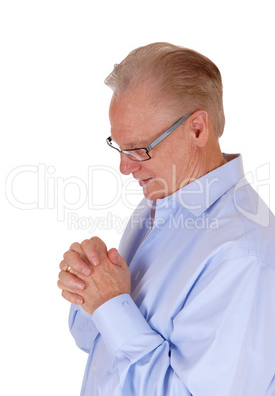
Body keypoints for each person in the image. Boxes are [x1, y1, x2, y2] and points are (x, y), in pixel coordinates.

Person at [57, 43, 275, 395]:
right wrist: (92, 287)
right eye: (119, 146)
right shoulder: (157, 205)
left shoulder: (244, 255)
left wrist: (111, 304)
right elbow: (102, 353)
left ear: (199, 130)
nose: (124, 168)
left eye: (140, 149)